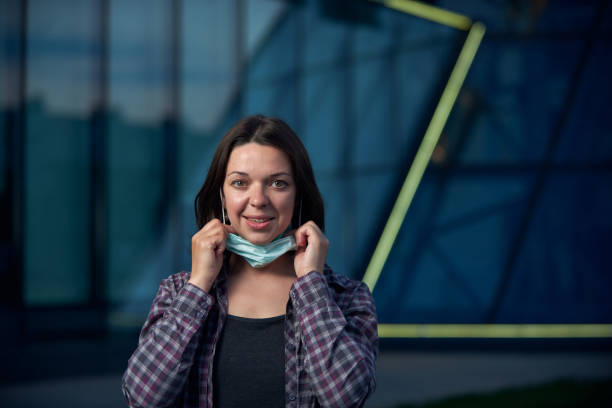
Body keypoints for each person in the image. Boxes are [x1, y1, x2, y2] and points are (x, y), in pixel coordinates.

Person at [122, 115, 378, 407]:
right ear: (222, 196)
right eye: (240, 183)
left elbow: (346, 398)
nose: (258, 199)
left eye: (278, 183)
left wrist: (311, 284)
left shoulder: (348, 298)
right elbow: (143, 398)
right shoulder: (177, 292)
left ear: (298, 196)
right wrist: (198, 286)